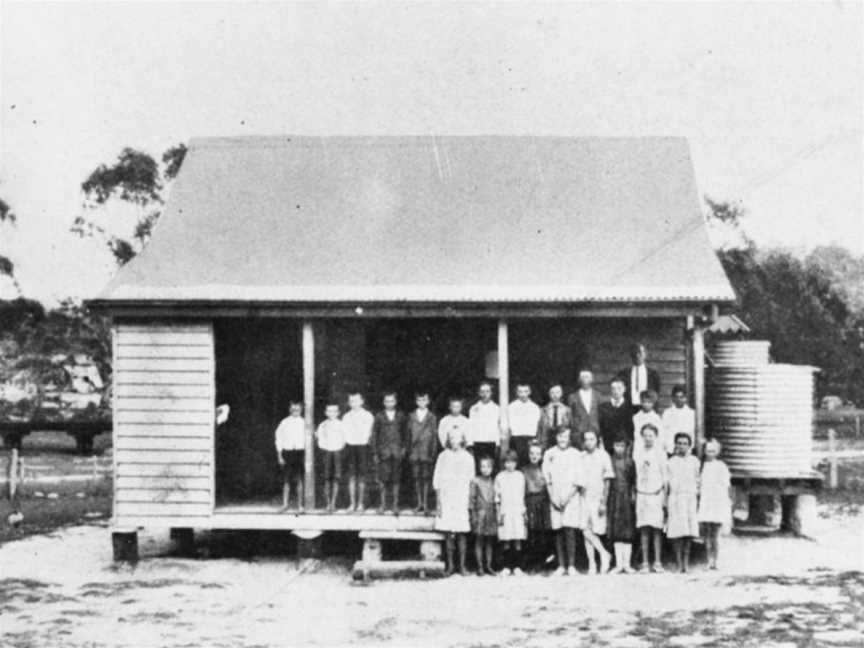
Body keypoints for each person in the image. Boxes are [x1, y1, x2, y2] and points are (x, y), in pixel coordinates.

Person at [433, 430, 475, 576]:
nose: (454, 441)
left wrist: (470, 501)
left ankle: (462, 566)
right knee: (449, 532)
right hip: (447, 497)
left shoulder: (468, 457)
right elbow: (437, 479)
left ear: (463, 439)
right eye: (451, 438)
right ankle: (450, 566)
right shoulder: (443, 456)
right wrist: (438, 502)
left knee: (462, 532)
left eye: (458, 437)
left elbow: (471, 481)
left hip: (461, 497)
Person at [543, 427, 584, 576]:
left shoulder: (576, 454)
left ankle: (571, 565)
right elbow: (547, 478)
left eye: (565, 437)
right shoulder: (549, 453)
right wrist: (552, 497)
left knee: (570, 530)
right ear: (556, 437)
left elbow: (579, 479)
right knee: (558, 530)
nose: (562, 439)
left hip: (570, 497)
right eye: (560, 436)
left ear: (569, 438)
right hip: (555, 496)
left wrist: (567, 497)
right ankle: (561, 565)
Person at [635, 423, 668, 573]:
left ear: (656, 437)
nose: (648, 438)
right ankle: (645, 562)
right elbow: (635, 474)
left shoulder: (660, 453)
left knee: (656, 529)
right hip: (642, 494)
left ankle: (658, 562)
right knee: (644, 529)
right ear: (642, 436)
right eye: (645, 435)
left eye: (651, 436)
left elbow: (665, 477)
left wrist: (665, 498)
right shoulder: (637, 452)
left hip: (656, 494)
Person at [579, 429, 613, 574]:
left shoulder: (603, 456)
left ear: (597, 440)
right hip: (583, 497)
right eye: (586, 439)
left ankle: (603, 556)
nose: (589, 442)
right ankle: (593, 563)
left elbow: (607, 481)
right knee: (584, 529)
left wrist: (603, 502)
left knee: (594, 530)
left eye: (592, 439)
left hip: (597, 497)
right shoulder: (581, 456)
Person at [666, 433, 701, 572]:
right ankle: (678, 562)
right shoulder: (671, 462)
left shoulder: (694, 461)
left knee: (688, 531)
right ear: (675, 445)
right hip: (676, 498)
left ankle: (686, 562)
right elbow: (667, 482)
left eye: (685, 443)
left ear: (689, 445)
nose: (681, 446)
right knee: (677, 531)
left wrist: (697, 497)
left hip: (690, 498)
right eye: (679, 443)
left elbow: (697, 480)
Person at [371, 391, 407, 513]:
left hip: (397, 452)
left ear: (395, 402)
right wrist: (375, 452)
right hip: (383, 452)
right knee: (383, 479)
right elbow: (374, 434)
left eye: (391, 401)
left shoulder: (401, 415)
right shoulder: (379, 416)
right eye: (387, 401)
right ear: (383, 402)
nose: (389, 403)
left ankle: (395, 505)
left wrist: (403, 449)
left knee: (396, 479)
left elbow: (405, 433)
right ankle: (383, 505)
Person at [697, 439, 731, 570]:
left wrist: (725, 502)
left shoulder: (721, 466)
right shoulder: (702, 466)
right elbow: (699, 484)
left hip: (717, 501)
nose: (710, 453)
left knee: (716, 534)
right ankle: (708, 560)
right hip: (706, 502)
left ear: (717, 452)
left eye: (713, 451)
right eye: (707, 450)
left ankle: (716, 561)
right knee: (707, 534)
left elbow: (725, 485)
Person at [606, 433, 636, 573]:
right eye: (617, 445)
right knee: (617, 530)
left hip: (626, 498)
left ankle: (627, 564)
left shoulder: (630, 461)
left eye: (622, 446)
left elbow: (633, 480)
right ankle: (618, 564)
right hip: (614, 497)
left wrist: (632, 495)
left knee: (627, 530)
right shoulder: (609, 461)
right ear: (613, 446)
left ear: (626, 447)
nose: (619, 448)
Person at [495, 449, 527, 576]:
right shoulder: (500, 477)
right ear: (503, 463)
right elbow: (497, 497)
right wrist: (499, 513)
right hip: (505, 511)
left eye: (512, 462)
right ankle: (507, 566)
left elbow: (522, 495)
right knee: (507, 539)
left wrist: (524, 513)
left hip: (518, 510)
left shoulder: (520, 476)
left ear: (516, 463)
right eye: (507, 462)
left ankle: (517, 566)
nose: (510, 465)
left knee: (518, 538)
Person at [341, 392, 374, 512]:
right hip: (350, 447)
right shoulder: (346, 417)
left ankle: (360, 503)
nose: (354, 403)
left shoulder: (368, 416)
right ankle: (352, 503)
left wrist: (361, 439)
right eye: (351, 401)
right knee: (352, 476)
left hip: (363, 447)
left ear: (362, 401)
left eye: (356, 400)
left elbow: (369, 433)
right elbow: (344, 432)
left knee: (362, 476)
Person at [407, 390, 438, 513]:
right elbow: (408, 435)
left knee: (426, 478)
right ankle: (418, 503)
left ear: (428, 401)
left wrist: (433, 452)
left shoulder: (432, 417)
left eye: (424, 400)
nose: (422, 402)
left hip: (426, 452)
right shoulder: (411, 416)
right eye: (419, 400)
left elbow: (434, 436)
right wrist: (409, 451)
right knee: (416, 478)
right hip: (415, 452)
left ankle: (425, 504)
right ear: (416, 401)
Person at [523, 441, 552, 571]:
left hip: (543, 502)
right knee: (531, 533)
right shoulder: (523, 470)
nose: (534, 456)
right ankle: (531, 563)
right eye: (531, 453)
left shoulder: (545, 469)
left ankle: (543, 562)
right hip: (530, 502)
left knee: (543, 533)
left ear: (541, 455)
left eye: (537, 453)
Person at [274, 401, 306, 511]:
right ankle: (285, 504)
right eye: (293, 409)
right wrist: (279, 455)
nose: (295, 411)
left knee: (300, 479)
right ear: (289, 410)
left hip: (300, 452)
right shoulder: (284, 422)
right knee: (286, 480)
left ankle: (300, 506)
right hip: (287, 453)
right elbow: (278, 439)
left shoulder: (305, 423)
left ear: (301, 410)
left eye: (297, 409)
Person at [470, 455, 498, 576]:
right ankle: (479, 566)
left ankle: (489, 566)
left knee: (489, 541)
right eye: (482, 466)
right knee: (479, 540)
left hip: (491, 513)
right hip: (480, 513)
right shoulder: (475, 481)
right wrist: (473, 515)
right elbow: (472, 499)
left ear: (492, 468)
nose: (485, 469)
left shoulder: (494, 481)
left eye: (488, 466)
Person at [316, 402, 346, 512]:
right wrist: (325, 448)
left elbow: (344, 438)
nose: (332, 413)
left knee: (336, 479)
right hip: (326, 452)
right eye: (329, 411)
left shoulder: (341, 424)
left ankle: (334, 503)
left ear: (338, 413)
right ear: (325, 412)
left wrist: (339, 448)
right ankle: (328, 503)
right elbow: (320, 438)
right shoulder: (322, 425)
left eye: (334, 411)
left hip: (337, 452)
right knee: (327, 479)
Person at [468, 382, 501, 472]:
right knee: (478, 468)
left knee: (492, 468)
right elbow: (471, 427)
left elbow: (498, 427)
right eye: (482, 391)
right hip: (478, 442)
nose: (485, 394)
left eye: (487, 391)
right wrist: (470, 444)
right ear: (479, 393)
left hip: (491, 442)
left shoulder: (496, 408)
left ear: (491, 393)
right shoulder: (473, 408)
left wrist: (498, 444)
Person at [618, 343, 661, 412]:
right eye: (634, 353)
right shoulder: (623, 374)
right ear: (631, 356)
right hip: (629, 410)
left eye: (640, 352)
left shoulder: (653, 374)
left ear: (645, 354)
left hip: (646, 410)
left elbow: (656, 394)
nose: (637, 355)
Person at [507, 383, 541, 466]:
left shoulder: (535, 407)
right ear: (516, 393)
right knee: (516, 463)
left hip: (530, 439)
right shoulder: (511, 407)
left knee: (529, 463)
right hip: (516, 439)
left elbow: (536, 425)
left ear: (529, 392)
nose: (523, 394)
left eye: (525, 391)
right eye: (520, 392)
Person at [567, 369, 602, 450]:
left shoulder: (598, 396)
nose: (585, 379)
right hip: (578, 434)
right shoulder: (572, 397)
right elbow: (570, 417)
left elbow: (601, 416)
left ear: (592, 379)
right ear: (579, 379)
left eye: (587, 377)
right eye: (583, 377)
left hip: (595, 432)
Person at [599, 377, 633, 454]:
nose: (616, 391)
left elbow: (631, 431)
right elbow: (601, 428)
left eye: (619, 388)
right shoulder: (603, 408)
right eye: (613, 389)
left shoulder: (631, 408)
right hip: (607, 447)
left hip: (625, 449)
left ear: (624, 389)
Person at [661, 385, 696, 455]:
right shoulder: (667, 413)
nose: (679, 399)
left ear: (685, 398)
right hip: (671, 450)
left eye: (681, 397)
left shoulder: (691, 413)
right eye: (676, 397)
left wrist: (690, 447)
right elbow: (663, 432)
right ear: (673, 398)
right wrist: (668, 447)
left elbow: (692, 432)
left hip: (687, 450)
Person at [632, 390, 663, 463]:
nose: (646, 404)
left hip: (653, 447)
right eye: (644, 402)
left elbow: (659, 436)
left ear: (653, 403)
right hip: (639, 446)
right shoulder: (636, 417)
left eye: (649, 402)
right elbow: (635, 434)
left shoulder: (656, 418)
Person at [538, 384, 573, 448]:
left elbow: (571, 426)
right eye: (552, 392)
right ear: (549, 394)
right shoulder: (543, 410)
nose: (555, 395)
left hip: (562, 439)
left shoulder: (567, 410)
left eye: (557, 392)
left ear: (561, 393)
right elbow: (539, 428)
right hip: (547, 439)